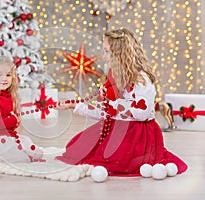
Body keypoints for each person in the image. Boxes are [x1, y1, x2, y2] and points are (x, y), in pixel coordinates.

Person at [55, 28, 188, 176]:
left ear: (120, 54)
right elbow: (105, 113)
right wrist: (77, 106)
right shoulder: (115, 77)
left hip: (137, 134)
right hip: (115, 127)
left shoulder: (141, 80)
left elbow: (141, 114)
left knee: (115, 159)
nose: (104, 57)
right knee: (76, 148)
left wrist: (114, 102)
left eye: (107, 52)